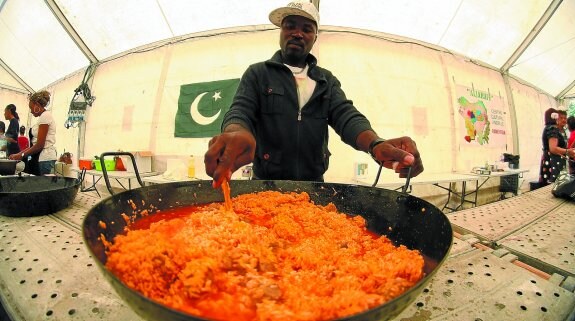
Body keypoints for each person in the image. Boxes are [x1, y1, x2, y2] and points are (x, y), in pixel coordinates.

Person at [204, 1, 423, 187]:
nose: (297, 33)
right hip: (266, 184)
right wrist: (235, 132)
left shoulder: (326, 80)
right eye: (290, 26)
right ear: (280, 31)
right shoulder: (258, 73)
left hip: (315, 186)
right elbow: (240, 110)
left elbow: (347, 117)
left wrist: (375, 144)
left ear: (315, 37)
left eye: (307, 29)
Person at [9, 91, 57, 175]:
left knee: (41, 186)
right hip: (40, 158)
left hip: (44, 159)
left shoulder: (45, 116)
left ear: (37, 105)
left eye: (31, 108)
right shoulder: (42, 117)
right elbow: (34, 145)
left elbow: (39, 145)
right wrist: (19, 154)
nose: (31, 111)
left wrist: (22, 155)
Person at [538, 108, 574, 185]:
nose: (564, 120)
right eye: (561, 117)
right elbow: (553, 149)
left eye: (565, 118)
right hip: (553, 162)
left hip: (558, 162)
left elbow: (561, 147)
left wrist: (568, 151)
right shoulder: (552, 129)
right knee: (552, 185)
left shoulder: (562, 131)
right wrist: (568, 151)